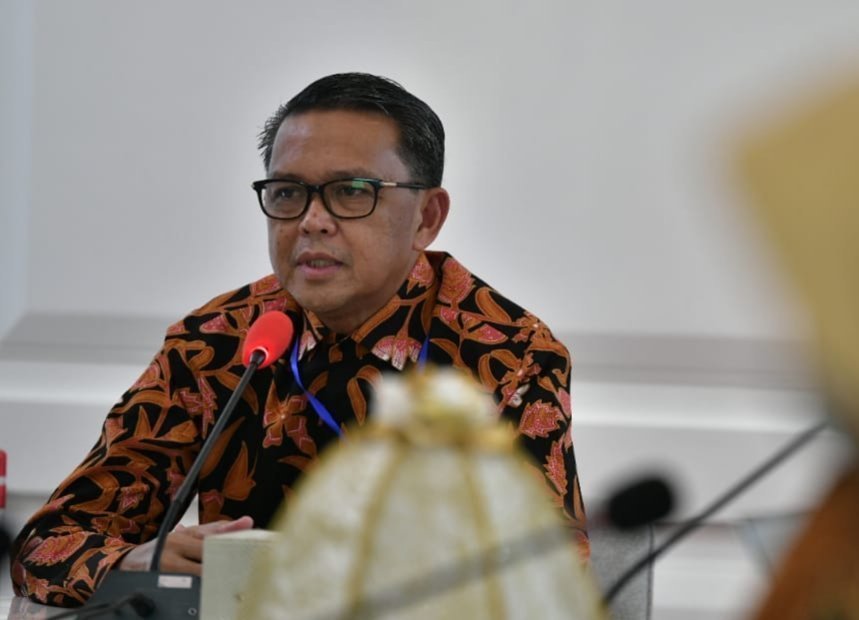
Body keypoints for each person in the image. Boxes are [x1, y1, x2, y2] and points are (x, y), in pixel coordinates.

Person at [10, 73, 588, 607]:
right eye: (288, 193)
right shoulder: (218, 342)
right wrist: (130, 563)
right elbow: (49, 542)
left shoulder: (507, 354)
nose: (312, 220)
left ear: (426, 218)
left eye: (352, 191)